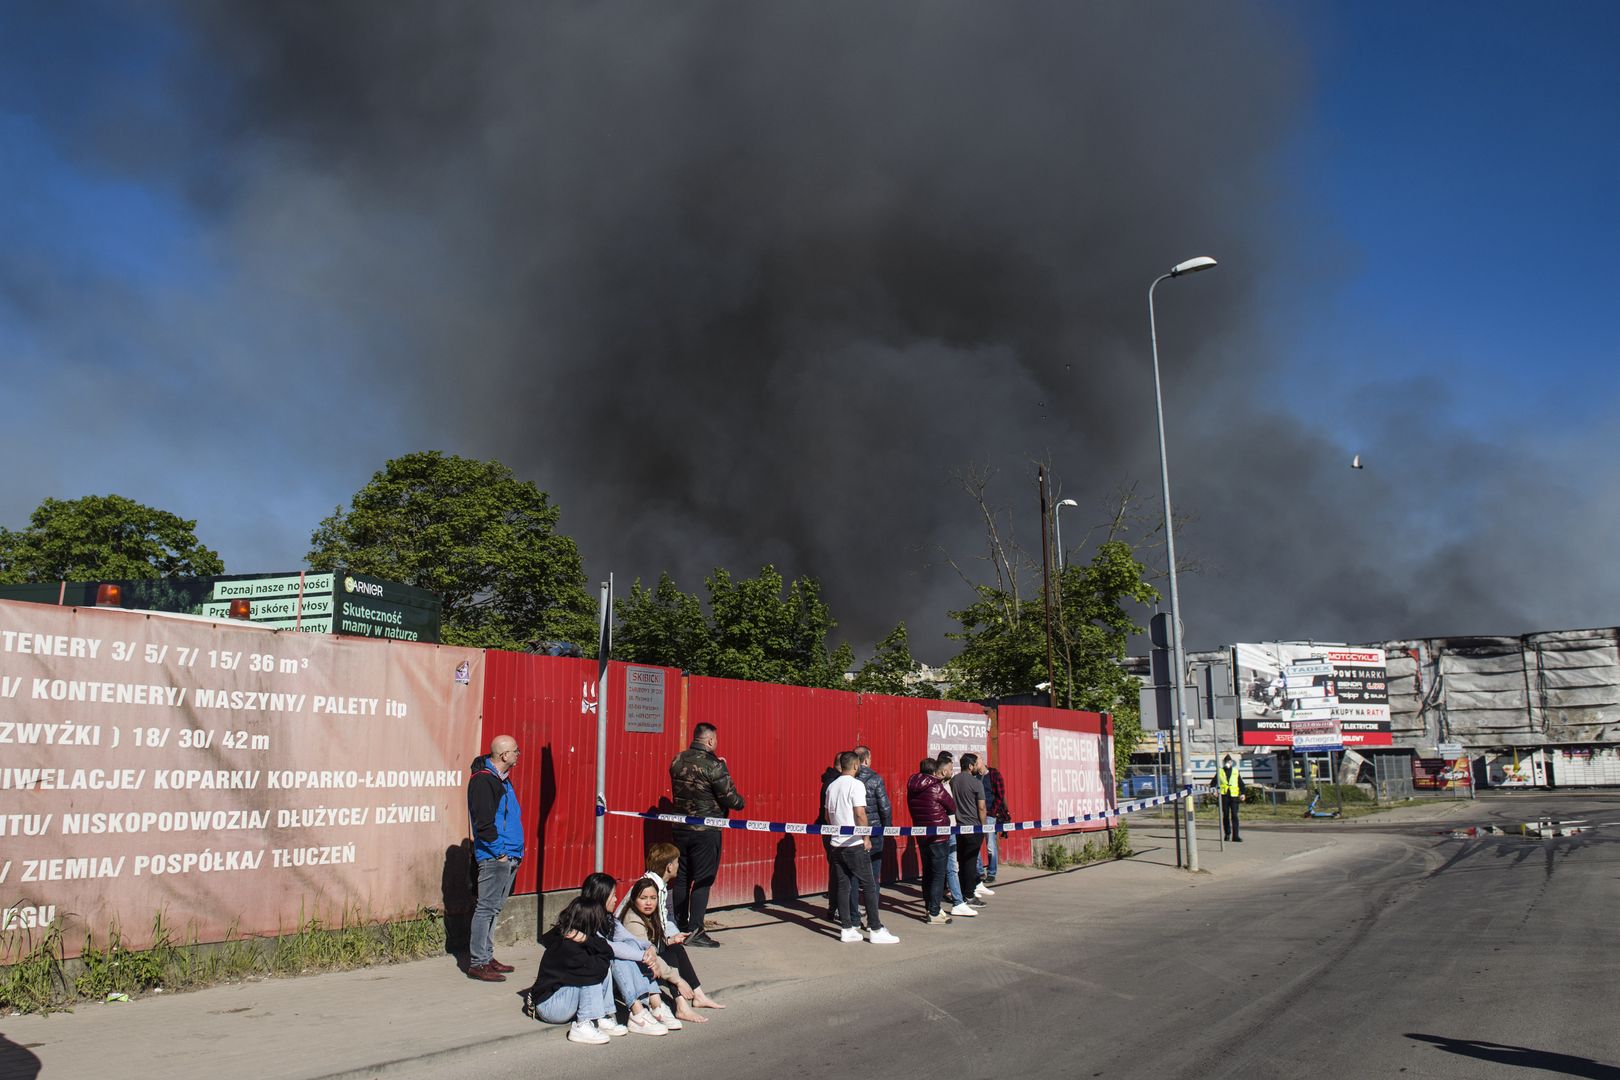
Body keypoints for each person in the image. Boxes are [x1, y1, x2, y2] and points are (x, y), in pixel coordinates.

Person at [617, 843, 727, 1015]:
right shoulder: (652, 888)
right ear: (669, 867)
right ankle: (682, 1004)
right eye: (677, 862)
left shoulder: (658, 885)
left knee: (676, 947)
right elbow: (647, 932)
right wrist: (668, 939)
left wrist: (673, 936)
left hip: (647, 939)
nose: (678, 866)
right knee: (672, 953)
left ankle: (697, 995)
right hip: (635, 945)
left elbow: (661, 923)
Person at [522, 872, 624, 1045]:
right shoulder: (567, 947)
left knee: (600, 969)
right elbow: (595, 970)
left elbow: (607, 950)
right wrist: (598, 954)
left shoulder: (581, 938)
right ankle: (582, 1025)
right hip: (550, 1007)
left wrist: (587, 939)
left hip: (562, 997)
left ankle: (601, 1016)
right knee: (591, 975)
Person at [670, 722, 745, 948]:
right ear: (710, 740)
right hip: (706, 830)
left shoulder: (677, 760)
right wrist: (725, 771)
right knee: (703, 878)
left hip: (680, 827)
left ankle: (680, 925)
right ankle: (696, 930)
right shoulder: (714, 766)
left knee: (682, 877)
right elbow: (733, 800)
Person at [825, 750, 899, 943]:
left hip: (836, 843)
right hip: (854, 843)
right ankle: (875, 928)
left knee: (843, 886)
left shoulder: (831, 786)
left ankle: (847, 928)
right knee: (869, 884)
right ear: (856, 765)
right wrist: (865, 836)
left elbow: (827, 816)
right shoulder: (856, 785)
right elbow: (860, 813)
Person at [466, 734, 522, 982]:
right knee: (486, 908)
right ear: (504, 755)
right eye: (515, 751)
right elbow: (484, 823)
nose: (518, 755)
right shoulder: (483, 782)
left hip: (509, 854)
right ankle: (478, 962)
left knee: (494, 909)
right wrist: (499, 852)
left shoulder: (502, 781)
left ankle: (487, 956)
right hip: (494, 856)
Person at [905, 757, 958, 924]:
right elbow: (952, 807)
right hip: (939, 835)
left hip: (922, 834)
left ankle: (930, 907)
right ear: (934, 771)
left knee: (927, 873)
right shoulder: (936, 786)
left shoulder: (912, 786)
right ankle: (934, 912)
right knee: (938, 874)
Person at [854, 745, 892, 918]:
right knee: (873, 876)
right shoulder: (875, 779)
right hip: (874, 831)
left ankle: (854, 914)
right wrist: (887, 827)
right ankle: (872, 916)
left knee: (853, 876)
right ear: (867, 759)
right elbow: (884, 807)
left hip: (853, 832)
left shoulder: (849, 778)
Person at [951, 753, 991, 905]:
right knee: (970, 863)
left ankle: (960, 892)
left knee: (961, 861)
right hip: (974, 828)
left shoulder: (953, 781)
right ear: (970, 766)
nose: (976, 767)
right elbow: (981, 807)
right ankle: (968, 895)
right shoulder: (976, 784)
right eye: (975, 765)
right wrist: (984, 826)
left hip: (958, 828)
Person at [935, 753, 970, 914]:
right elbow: (950, 807)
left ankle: (957, 901)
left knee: (951, 867)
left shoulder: (947, 785)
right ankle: (938, 906)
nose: (952, 771)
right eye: (950, 769)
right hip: (945, 831)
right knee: (944, 868)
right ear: (943, 772)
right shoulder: (937, 787)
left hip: (951, 830)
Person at [980, 761, 1009, 885]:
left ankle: (991, 873)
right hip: (976, 814)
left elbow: (1000, 794)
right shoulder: (974, 776)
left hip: (990, 815)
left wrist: (993, 811)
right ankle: (979, 872)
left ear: (981, 761)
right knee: (974, 844)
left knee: (990, 845)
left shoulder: (993, 774)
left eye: (976, 761)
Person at [1216, 754, 1245, 842]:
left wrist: (1243, 793)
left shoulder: (1236, 771)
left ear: (1232, 762)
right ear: (1224, 763)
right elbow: (1213, 783)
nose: (1228, 763)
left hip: (1234, 796)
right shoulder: (1220, 771)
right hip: (1224, 796)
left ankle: (1236, 836)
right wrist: (1214, 791)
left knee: (1235, 816)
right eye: (1226, 762)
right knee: (1226, 815)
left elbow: (1241, 783)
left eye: (1229, 761)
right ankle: (1227, 834)